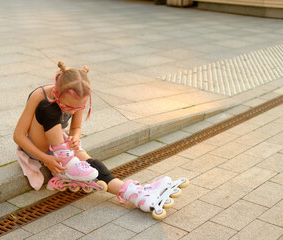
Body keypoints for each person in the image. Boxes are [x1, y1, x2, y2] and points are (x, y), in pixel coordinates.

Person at [13, 61, 180, 216]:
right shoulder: (40, 95)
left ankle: (136, 195)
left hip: (60, 144)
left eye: (77, 108)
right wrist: (45, 159)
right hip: (37, 145)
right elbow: (18, 136)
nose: (72, 111)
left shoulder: (77, 95)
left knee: (92, 163)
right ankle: (66, 161)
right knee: (48, 106)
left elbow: (76, 128)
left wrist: (75, 138)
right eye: (69, 107)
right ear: (57, 91)